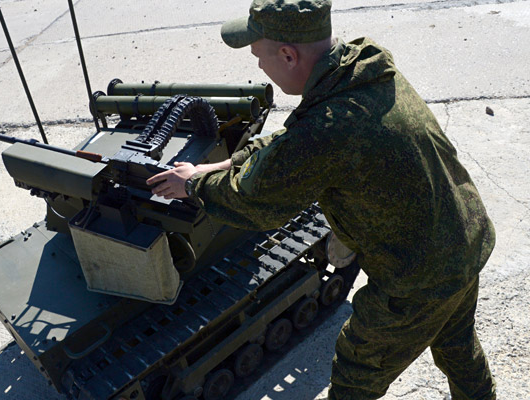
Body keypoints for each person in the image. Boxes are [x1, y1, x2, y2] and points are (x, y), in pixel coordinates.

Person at [146, 0, 497, 398]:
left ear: (288, 55)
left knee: (356, 374)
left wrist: (192, 186)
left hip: (418, 277)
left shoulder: (326, 131)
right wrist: (226, 162)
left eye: (258, 56)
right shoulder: (362, 69)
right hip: (463, 237)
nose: (259, 66)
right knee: (457, 346)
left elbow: (256, 200)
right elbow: (296, 136)